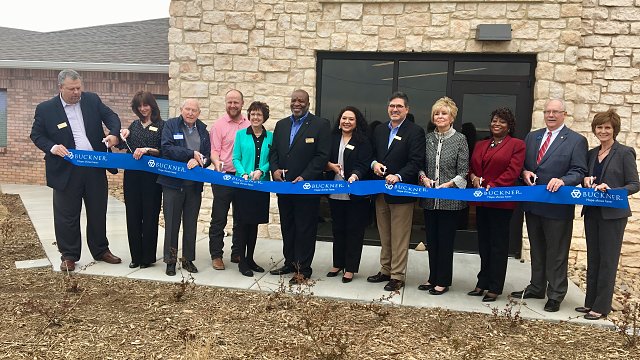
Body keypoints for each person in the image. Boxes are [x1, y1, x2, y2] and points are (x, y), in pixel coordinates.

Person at [30, 69, 122, 272]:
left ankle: (101, 250)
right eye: (71, 89)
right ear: (60, 87)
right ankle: (69, 255)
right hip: (66, 169)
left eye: (79, 88)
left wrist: (114, 134)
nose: (76, 92)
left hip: (94, 167)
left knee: (98, 211)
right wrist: (52, 147)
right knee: (67, 215)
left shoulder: (92, 100)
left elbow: (111, 117)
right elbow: (36, 135)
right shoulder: (46, 109)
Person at [511, 99, 588, 312]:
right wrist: (524, 172)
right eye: (547, 112)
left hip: (557, 206)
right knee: (537, 248)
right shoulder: (533, 136)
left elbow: (579, 170)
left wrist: (563, 180)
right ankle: (537, 287)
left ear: (564, 114)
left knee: (556, 251)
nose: (550, 115)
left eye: (555, 112)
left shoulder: (576, 140)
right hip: (534, 203)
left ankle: (555, 294)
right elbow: (524, 165)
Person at [577, 109, 639, 320]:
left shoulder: (625, 152)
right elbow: (587, 178)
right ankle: (590, 302)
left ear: (614, 130)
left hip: (613, 214)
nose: (603, 131)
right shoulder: (592, 153)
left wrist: (612, 190)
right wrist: (585, 181)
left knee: (608, 260)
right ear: (594, 130)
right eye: (599, 127)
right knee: (593, 258)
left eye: (607, 127)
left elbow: (634, 184)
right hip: (592, 211)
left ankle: (601, 306)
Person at [269, 89, 331, 284]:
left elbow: (322, 156)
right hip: (285, 187)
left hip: (306, 187)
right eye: (294, 100)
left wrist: (305, 176)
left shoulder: (320, 125)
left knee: (305, 228)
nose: (297, 103)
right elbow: (274, 153)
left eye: (301, 100)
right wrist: (275, 170)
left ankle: (303, 268)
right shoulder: (281, 125)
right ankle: (289, 262)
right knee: (288, 226)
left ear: (308, 103)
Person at [367, 92, 425, 291]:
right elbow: (371, 154)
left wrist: (398, 176)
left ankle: (397, 275)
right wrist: (374, 164)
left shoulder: (415, 131)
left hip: (401, 192)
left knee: (399, 235)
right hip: (381, 191)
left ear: (407, 110)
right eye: (392, 106)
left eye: (399, 106)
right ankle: (385, 269)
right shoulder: (380, 130)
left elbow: (416, 161)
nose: (395, 109)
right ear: (387, 108)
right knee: (385, 234)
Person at [468, 108, 525, 302]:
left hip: (501, 202)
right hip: (482, 201)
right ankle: (482, 282)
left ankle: (495, 286)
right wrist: (474, 177)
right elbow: (472, 167)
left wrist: (493, 185)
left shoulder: (517, 145)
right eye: (494, 121)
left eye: (501, 121)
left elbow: (513, 170)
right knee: (483, 244)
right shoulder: (481, 144)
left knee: (498, 245)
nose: (496, 124)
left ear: (509, 126)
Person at [418, 96, 468, 296]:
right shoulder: (428, 138)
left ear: (452, 117)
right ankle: (433, 277)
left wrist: (448, 184)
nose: (440, 116)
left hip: (450, 200)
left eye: (444, 113)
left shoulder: (460, 139)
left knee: (445, 242)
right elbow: (420, 165)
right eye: (436, 113)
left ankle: (443, 280)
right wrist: (423, 178)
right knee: (432, 241)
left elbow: (464, 170)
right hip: (430, 199)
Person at [158, 99, 211, 276]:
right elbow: (166, 148)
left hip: (193, 186)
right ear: (181, 110)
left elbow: (208, 156)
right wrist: (190, 154)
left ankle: (188, 259)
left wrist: (199, 160)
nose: (190, 113)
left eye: (194, 110)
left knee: (190, 224)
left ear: (199, 113)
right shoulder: (170, 125)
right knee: (172, 224)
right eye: (187, 109)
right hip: (173, 184)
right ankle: (170, 261)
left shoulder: (203, 130)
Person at [325, 106, 373, 283]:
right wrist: (330, 165)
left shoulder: (363, 141)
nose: (346, 121)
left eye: (351, 119)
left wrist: (355, 175)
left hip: (355, 193)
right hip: (334, 192)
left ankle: (350, 268)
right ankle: (338, 263)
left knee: (354, 231)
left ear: (356, 122)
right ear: (339, 120)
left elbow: (364, 163)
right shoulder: (332, 138)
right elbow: (323, 158)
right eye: (344, 118)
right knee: (338, 229)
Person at [119, 91, 165, 269]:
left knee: (150, 215)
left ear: (152, 105)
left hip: (152, 178)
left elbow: (162, 150)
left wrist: (147, 149)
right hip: (132, 177)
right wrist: (122, 134)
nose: (143, 109)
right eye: (139, 106)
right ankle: (135, 256)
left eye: (146, 105)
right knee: (133, 215)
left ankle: (147, 257)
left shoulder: (162, 126)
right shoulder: (134, 125)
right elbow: (123, 145)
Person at [208, 89, 249, 271]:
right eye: (229, 102)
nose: (233, 105)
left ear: (242, 104)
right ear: (226, 104)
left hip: (242, 178)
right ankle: (216, 255)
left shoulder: (249, 125)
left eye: (236, 102)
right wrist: (216, 163)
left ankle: (237, 252)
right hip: (223, 177)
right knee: (219, 218)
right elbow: (214, 150)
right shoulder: (218, 125)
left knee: (241, 218)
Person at [231, 101, 272, 277]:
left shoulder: (271, 137)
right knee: (242, 224)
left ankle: (251, 259)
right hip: (243, 185)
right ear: (249, 116)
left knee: (253, 224)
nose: (255, 117)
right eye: (253, 114)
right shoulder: (241, 135)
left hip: (261, 185)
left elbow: (273, 159)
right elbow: (235, 158)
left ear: (264, 118)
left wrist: (262, 170)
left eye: (259, 115)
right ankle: (242, 262)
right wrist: (244, 173)